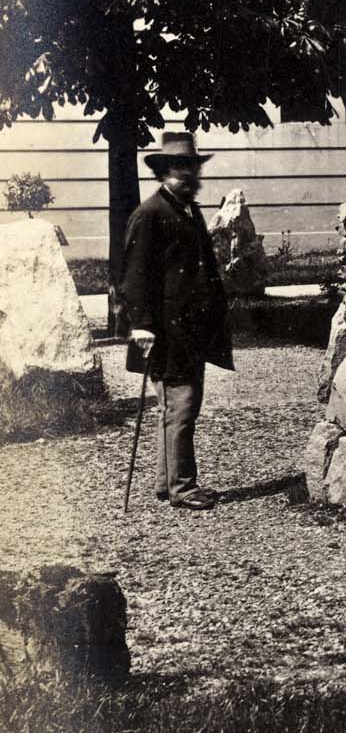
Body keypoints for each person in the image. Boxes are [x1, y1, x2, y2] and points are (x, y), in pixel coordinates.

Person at [119, 131, 233, 511]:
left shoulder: (187, 209)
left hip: (189, 330)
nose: (186, 175)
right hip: (165, 332)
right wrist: (142, 325)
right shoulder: (150, 214)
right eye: (177, 168)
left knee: (181, 407)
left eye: (190, 168)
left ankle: (168, 483)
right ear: (163, 172)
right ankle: (183, 488)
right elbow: (134, 276)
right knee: (180, 407)